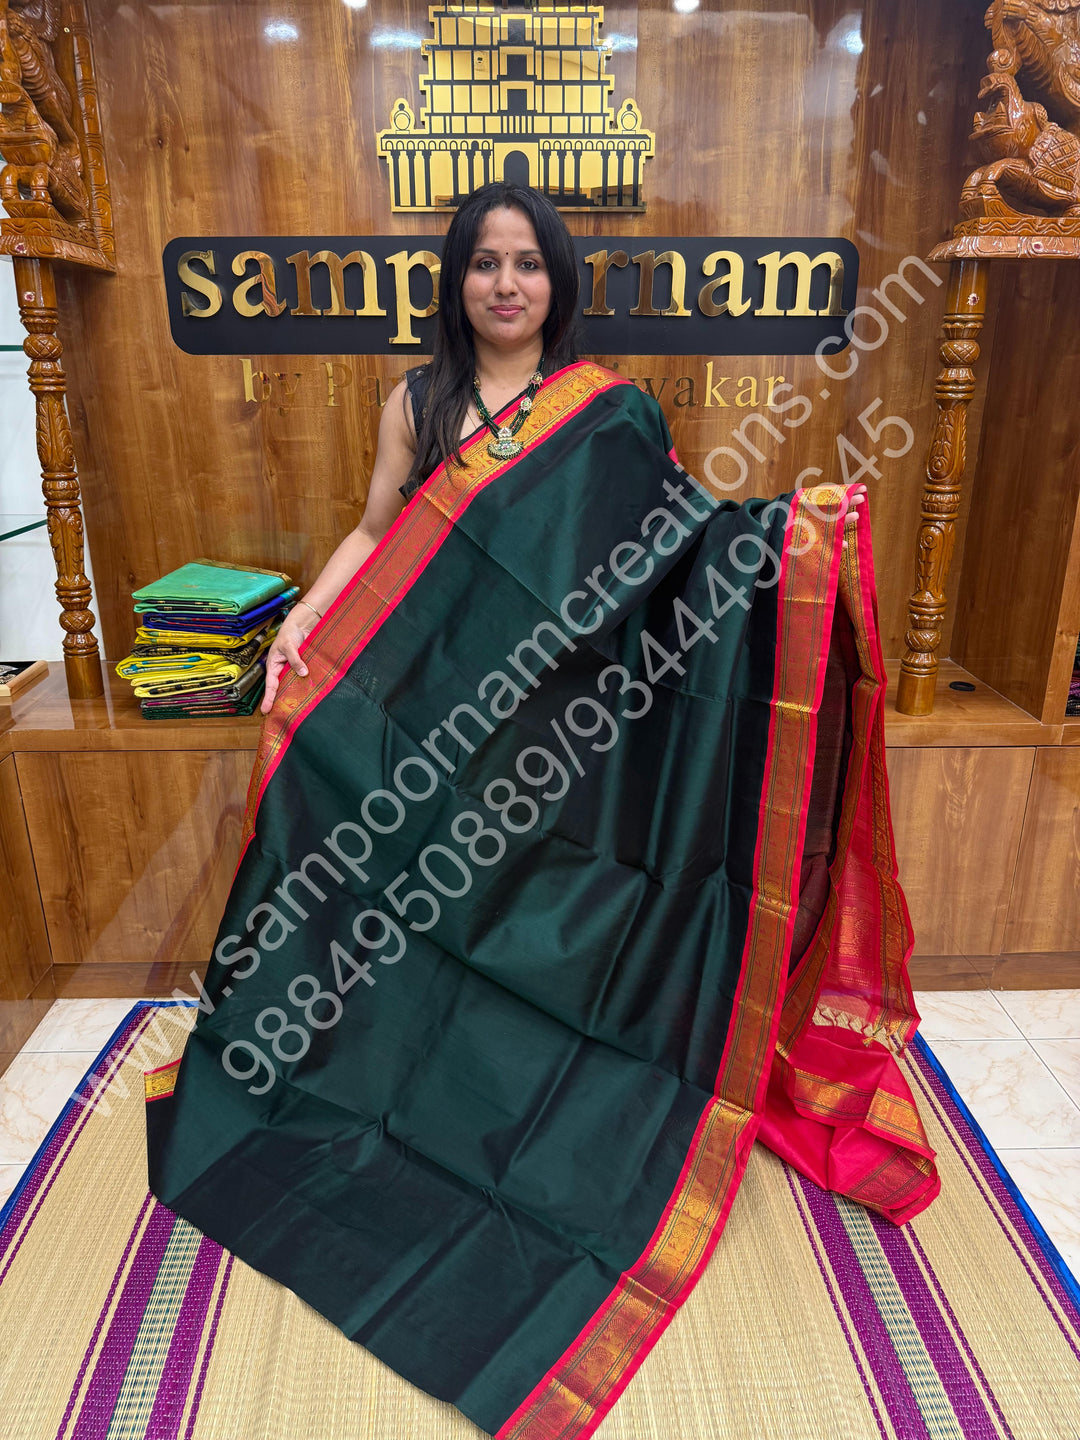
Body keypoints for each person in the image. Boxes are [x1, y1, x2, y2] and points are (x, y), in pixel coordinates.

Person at [147, 182, 937, 1440]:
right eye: (482, 264)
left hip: (552, 734)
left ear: (558, 281)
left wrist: (792, 538)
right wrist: (305, 617)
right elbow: (374, 530)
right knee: (398, 904)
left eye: (526, 264)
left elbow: (671, 555)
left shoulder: (609, 409)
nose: (504, 284)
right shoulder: (414, 400)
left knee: (521, 920)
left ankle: (514, 1094)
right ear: (455, 280)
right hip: (426, 713)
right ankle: (377, 1073)